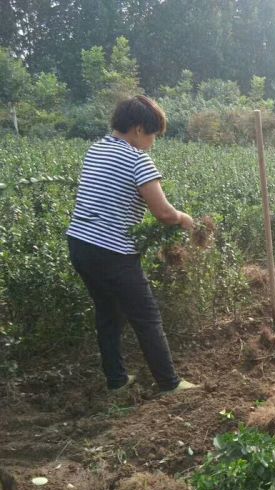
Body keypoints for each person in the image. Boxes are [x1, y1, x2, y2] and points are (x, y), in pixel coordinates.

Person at [66, 95, 199, 395]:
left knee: (108, 313)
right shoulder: (137, 159)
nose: (153, 141)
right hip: (113, 252)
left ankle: (116, 380)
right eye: (152, 134)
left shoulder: (96, 150)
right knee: (146, 315)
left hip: (80, 245)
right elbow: (163, 213)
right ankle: (170, 384)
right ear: (138, 129)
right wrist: (184, 219)